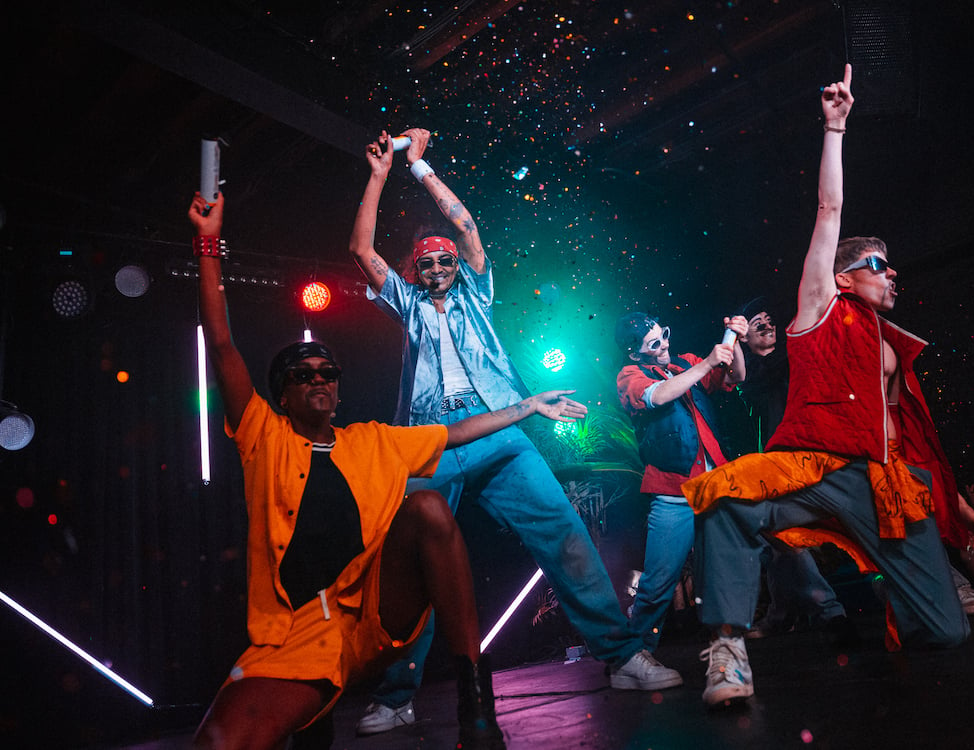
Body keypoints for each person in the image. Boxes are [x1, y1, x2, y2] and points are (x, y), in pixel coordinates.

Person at [187, 191, 591, 750]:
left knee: (431, 511)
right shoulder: (263, 436)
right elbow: (222, 339)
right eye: (303, 374)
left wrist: (527, 406)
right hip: (297, 636)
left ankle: (476, 698)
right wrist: (208, 245)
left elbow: (453, 436)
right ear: (279, 396)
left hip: (369, 616)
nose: (320, 379)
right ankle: (354, 706)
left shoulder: (372, 441)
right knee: (221, 743)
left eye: (327, 371)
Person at [348, 128, 681, 736]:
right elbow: (361, 250)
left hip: (500, 421)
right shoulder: (404, 301)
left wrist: (419, 169)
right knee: (417, 561)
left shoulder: (478, 292)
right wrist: (377, 176)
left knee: (564, 533)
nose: (443, 263)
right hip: (431, 438)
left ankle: (622, 656)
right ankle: (397, 695)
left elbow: (467, 225)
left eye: (448, 257)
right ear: (416, 269)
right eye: (430, 259)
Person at [682, 64, 973, 708]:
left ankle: (906, 592)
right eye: (876, 265)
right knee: (727, 501)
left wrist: (951, 496)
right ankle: (727, 651)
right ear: (843, 277)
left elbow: (908, 435)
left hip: (886, 485)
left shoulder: (892, 347)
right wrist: (835, 126)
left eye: (890, 265)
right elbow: (830, 208)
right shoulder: (820, 306)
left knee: (948, 635)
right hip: (814, 466)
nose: (890, 273)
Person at [614, 311, 747, 653]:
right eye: (654, 343)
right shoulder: (630, 375)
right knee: (659, 582)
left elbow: (737, 375)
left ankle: (725, 646)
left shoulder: (684, 363)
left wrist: (734, 336)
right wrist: (706, 364)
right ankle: (634, 654)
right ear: (635, 353)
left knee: (719, 572)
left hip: (716, 484)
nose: (664, 345)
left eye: (664, 335)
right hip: (673, 490)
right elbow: (657, 396)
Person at [734, 299, 854, 641]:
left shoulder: (796, 357)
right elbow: (746, 379)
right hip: (781, 465)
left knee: (786, 542)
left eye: (770, 320)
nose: (767, 326)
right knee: (782, 538)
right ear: (745, 336)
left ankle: (780, 613)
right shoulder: (751, 375)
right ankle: (829, 613)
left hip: (821, 455)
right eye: (757, 323)